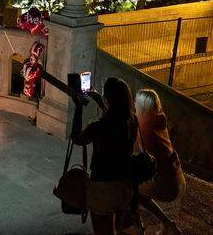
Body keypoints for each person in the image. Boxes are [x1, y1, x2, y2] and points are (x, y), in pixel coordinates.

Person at [71, 77, 138, 235]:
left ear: (108, 99)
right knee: (116, 229)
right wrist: (101, 101)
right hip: (125, 185)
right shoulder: (132, 121)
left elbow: (77, 139)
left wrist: (78, 108)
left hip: (103, 187)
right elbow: (115, 119)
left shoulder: (99, 127)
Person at [121, 89, 185, 235]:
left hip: (166, 184)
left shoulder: (145, 128)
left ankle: (136, 226)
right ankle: (168, 225)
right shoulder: (159, 120)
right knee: (135, 187)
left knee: (128, 187)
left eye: (137, 101)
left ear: (143, 106)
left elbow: (148, 161)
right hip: (177, 178)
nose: (134, 104)